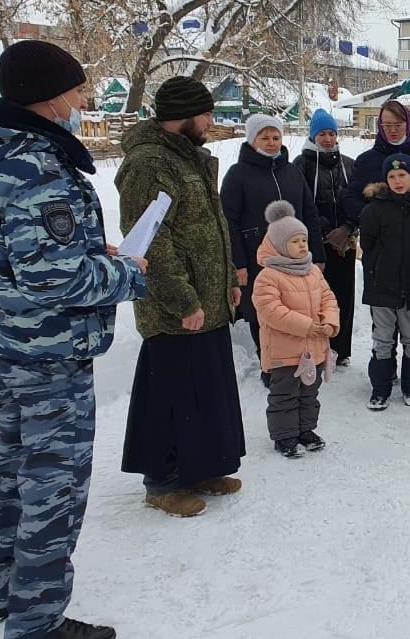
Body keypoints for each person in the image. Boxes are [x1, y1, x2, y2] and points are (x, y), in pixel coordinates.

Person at [0, 41, 147, 639]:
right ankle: (37, 620)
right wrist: (126, 273)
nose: (83, 103)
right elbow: (53, 278)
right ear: (49, 98)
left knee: (11, 474)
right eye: (77, 92)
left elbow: (8, 258)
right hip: (47, 355)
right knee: (52, 483)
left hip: (1, 347)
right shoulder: (34, 168)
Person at [117, 76, 245, 520]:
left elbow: (212, 226)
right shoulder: (150, 163)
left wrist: (228, 277)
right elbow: (151, 239)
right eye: (206, 114)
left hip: (207, 299)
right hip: (175, 308)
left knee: (205, 391)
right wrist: (182, 300)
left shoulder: (189, 158)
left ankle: (202, 467)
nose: (212, 121)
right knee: (171, 395)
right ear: (184, 116)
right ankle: (164, 481)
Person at [220, 113, 325, 380]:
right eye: (264, 137)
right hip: (258, 259)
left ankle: (296, 360)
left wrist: (318, 254)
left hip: (296, 257)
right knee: (265, 313)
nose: (271, 143)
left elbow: (309, 213)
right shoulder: (238, 175)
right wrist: (239, 263)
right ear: (252, 140)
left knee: (295, 308)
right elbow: (227, 221)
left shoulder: (292, 171)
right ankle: (271, 365)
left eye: (276, 137)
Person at [251, 201, 338, 457]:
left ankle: (305, 430)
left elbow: (328, 298)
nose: (302, 245)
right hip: (284, 351)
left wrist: (330, 322)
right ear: (278, 245)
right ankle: (284, 436)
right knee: (285, 395)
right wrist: (306, 327)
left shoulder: (312, 272)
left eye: (304, 240)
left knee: (309, 394)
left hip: (313, 350)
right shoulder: (268, 276)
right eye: (295, 241)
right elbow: (270, 310)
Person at [359, 154, 410, 410]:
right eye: (392, 177)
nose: (397, 181)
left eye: (402, 176)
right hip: (382, 287)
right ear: (385, 180)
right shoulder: (374, 208)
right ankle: (380, 389)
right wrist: (373, 274)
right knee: (383, 339)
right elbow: (367, 246)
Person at [298, 110, 356, 366]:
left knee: (343, 296)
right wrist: (322, 232)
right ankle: (318, 345)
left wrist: (348, 227)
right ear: (313, 135)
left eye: (332, 133)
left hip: (345, 242)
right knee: (318, 298)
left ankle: (340, 349)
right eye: (322, 133)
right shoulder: (302, 165)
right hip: (315, 245)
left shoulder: (348, 164)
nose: (328, 139)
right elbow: (301, 204)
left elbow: (356, 200)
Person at [342, 99, 410, 227]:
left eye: (398, 125)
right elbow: (350, 198)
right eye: (388, 126)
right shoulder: (366, 161)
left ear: (408, 124)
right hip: (381, 241)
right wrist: (373, 218)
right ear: (380, 126)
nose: (393, 130)